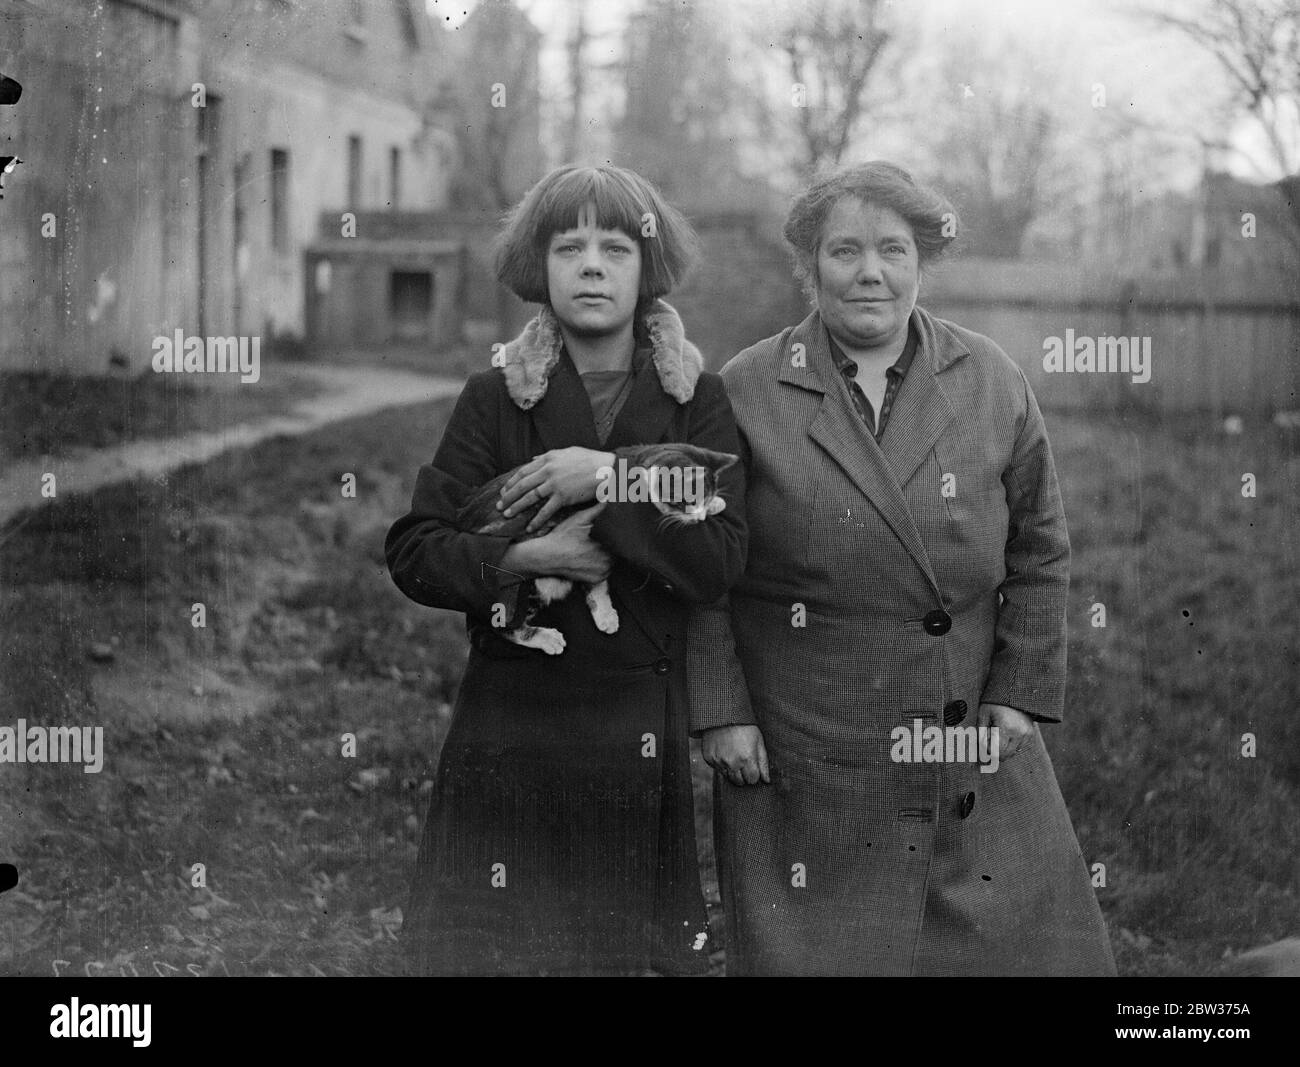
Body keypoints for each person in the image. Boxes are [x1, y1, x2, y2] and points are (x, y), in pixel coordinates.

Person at [688, 161, 1115, 976]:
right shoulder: (747, 388)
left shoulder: (990, 378)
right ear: (810, 266)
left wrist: (1020, 690)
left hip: (963, 733)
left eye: (893, 249)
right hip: (809, 740)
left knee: (1012, 951)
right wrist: (720, 710)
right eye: (844, 250)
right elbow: (704, 569)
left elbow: (1040, 546)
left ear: (923, 262)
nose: (870, 272)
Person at [385, 164, 747, 975]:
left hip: (632, 726)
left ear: (648, 268)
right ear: (536, 265)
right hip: (510, 717)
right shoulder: (494, 398)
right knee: (491, 952)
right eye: (569, 246)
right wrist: (525, 557)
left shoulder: (701, 402)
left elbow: (719, 557)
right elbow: (414, 550)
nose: (592, 265)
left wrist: (608, 477)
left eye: (616, 247)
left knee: (610, 954)